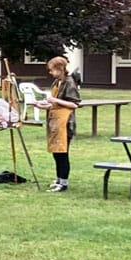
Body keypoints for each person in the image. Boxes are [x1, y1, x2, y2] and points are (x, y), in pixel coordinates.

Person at [35, 56, 80, 192]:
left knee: (62, 153)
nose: (50, 72)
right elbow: (54, 104)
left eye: (52, 70)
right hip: (55, 121)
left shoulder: (69, 83)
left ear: (60, 69)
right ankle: (58, 179)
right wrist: (41, 105)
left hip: (65, 123)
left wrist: (55, 100)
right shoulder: (56, 82)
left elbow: (74, 104)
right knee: (56, 152)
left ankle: (64, 183)